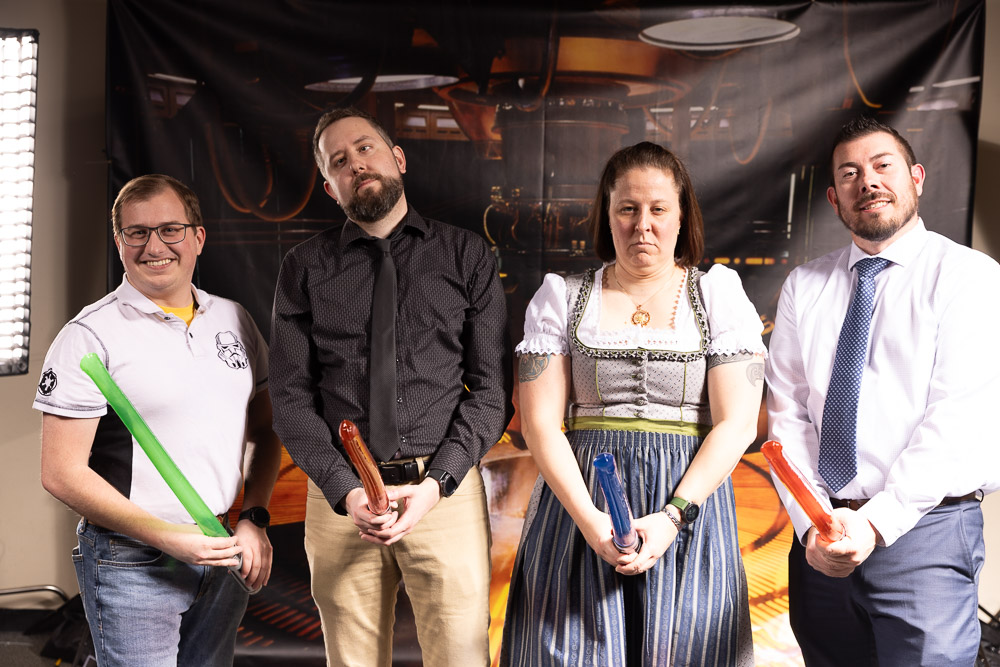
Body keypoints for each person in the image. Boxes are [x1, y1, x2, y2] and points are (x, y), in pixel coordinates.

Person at [500, 141, 765, 666]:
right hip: (579, 508)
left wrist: (672, 517)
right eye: (628, 208)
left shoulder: (718, 295)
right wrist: (591, 522)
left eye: (658, 209)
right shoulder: (561, 296)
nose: (643, 224)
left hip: (688, 511)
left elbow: (736, 425)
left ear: (682, 217)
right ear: (608, 215)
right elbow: (540, 425)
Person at [269, 107, 513, 666]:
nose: (355, 164)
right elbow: (290, 399)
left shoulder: (467, 255)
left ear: (397, 158)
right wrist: (345, 490)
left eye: (365, 148)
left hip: (443, 491)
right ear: (330, 188)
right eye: (338, 161)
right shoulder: (303, 267)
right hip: (342, 499)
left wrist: (437, 483)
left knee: (461, 658)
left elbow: (491, 393)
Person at [765, 116, 1000, 666]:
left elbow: (958, 420)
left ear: (916, 178)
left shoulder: (970, 276)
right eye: (849, 173)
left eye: (882, 166)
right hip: (821, 541)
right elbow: (788, 415)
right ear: (834, 198)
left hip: (924, 531)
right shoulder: (804, 285)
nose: (867, 181)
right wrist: (813, 524)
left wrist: (873, 524)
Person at [35, 174, 282, 666]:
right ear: (119, 241)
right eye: (137, 232)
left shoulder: (233, 319)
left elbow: (264, 432)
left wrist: (254, 516)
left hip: (220, 544)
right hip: (131, 561)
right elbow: (60, 473)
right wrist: (165, 535)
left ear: (198, 238)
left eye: (170, 229)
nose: (154, 246)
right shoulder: (88, 336)